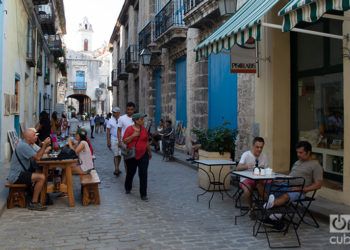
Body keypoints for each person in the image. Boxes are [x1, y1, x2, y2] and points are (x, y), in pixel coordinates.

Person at [264, 141, 323, 210]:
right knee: (264, 184)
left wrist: (302, 189)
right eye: (297, 152)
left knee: (285, 196)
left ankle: (267, 207)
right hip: (286, 185)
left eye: (300, 152)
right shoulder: (297, 162)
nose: (298, 154)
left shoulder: (315, 165)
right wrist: (282, 179)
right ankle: (274, 209)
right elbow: (292, 175)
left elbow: (318, 185)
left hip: (298, 191)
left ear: (308, 152)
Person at [7, 128, 51, 211]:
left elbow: (38, 154)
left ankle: (39, 196)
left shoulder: (26, 144)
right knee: (41, 177)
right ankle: (33, 203)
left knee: (38, 172)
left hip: (19, 173)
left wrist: (42, 146)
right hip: (16, 175)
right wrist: (44, 145)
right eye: (34, 135)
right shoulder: (24, 146)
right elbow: (38, 157)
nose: (36, 137)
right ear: (28, 138)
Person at [236, 137, 268, 217]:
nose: (259, 149)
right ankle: (251, 209)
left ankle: (265, 207)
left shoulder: (264, 156)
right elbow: (238, 168)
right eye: (257, 147)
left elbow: (267, 170)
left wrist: (264, 170)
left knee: (263, 187)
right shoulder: (246, 154)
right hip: (246, 179)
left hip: (259, 179)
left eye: (261, 147)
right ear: (253, 146)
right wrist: (246, 166)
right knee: (247, 191)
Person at [123, 113, 152, 201]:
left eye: (143, 119)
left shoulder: (144, 130)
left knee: (143, 174)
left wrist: (149, 152)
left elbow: (146, 142)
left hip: (143, 154)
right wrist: (133, 136)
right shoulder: (129, 129)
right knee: (131, 173)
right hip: (132, 155)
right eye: (141, 119)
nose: (143, 121)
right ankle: (128, 187)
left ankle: (143, 194)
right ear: (136, 121)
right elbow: (124, 141)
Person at [117, 102, 136, 170]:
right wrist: (119, 141)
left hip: (135, 142)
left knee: (134, 160)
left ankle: (131, 173)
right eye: (128, 109)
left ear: (134, 110)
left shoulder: (137, 118)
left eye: (131, 109)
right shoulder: (121, 118)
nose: (130, 111)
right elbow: (119, 130)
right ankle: (128, 174)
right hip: (125, 142)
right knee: (126, 160)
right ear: (126, 110)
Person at [107, 107, 122, 176]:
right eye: (113, 112)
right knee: (115, 154)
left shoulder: (121, 119)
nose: (114, 113)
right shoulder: (110, 120)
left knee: (120, 154)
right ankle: (116, 168)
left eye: (115, 112)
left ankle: (118, 167)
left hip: (121, 139)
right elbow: (108, 132)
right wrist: (108, 141)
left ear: (118, 113)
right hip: (113, 138)